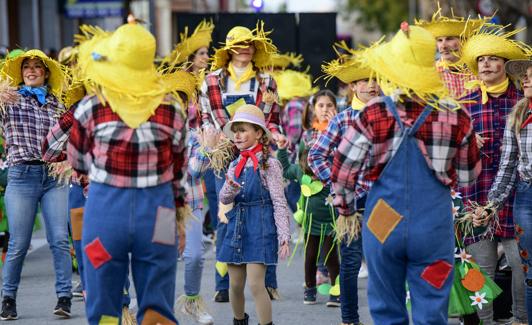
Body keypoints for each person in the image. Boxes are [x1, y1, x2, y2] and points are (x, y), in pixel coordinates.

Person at [331, 23, 481, 324]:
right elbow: (468, 177)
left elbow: (343, 170)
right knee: (431, 308)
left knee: (386, 307)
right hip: (434, 226)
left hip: (383, 222)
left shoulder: (372, 113)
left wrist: (347, 209)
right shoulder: (456, 115)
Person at [68, 20, 194, 324]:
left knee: (102, 294)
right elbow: (179, 173)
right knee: (158, 295)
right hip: (160, 211)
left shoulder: (89, 108)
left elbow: (78, 161)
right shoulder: (172, 109)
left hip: (104, 212)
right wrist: (179, 220)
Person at [199, 21, 283, 302]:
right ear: (228, 50)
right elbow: (209, 118)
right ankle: (223, 285)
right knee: (225, 216)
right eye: (238, 44)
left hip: (258, 156)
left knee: (264, 214)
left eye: (248, 44)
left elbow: (271, 119)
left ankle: (268, 282)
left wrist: (267, 139)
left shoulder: (267, 81)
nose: (244, 48)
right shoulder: (211, 80)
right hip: (224, 157)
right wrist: (235, 138)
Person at [458, 25, 530, 325]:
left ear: (504, 65)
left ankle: (520, 318)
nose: (486, 65)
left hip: (514, 196)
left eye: (493, 59)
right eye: (481, 60)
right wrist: (465, 142)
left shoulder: (521, 100)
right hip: (475, 195)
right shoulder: (465, 103)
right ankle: (483, 321)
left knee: (519, 265)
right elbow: (450, 154)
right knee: (479, 268)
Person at [308, 49, 380, 325]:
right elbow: (316, 155)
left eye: (375, 79)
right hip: (352, 205)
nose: (371, 85)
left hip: (385, 203)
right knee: (350, 264)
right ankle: (349, 319)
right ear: (353, 86)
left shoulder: (392, 116)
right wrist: (338, 184)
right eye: (364, 80)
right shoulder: (342, 119)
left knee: (385, 263)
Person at [0, 49, 73, 320]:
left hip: (54, 177)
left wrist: (69, 161)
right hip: (21, 176)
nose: (31, 71)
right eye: (26, 67)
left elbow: (71, 137)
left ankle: (64, 297)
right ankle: (8, 299)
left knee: (59, 240)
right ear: (20, 73)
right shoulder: (9, 99)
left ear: (45, 73)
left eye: (37, 67)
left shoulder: (57, 104)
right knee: (18, 242)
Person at [163, 19, 216, 324]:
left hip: (192, 203)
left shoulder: (197, 132)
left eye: (183, 100)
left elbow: (195, 171)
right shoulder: (156, 131)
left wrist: (207, 148)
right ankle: (160, 309)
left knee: (195, 256)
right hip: (163, 206)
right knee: (165, 259)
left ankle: (193, 301)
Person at [218, 104, 290, 325]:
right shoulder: (234, 164)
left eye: (243, 130)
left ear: (258, 133)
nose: (237, 136)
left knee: (257, 285)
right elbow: (224, 198)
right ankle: (239, 321)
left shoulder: (270, 164)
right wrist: (230, 186)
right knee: (235, 284)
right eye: (235, 131)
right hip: (237, 225)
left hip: (260, 226)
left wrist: (284, 236)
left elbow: (279, 202)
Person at [486, 57, 532, 323]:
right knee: (529, 270)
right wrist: (491, 205)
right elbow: (507, 167)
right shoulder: (517, 114)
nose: (524, 80)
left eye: (529, 74)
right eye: (523, 76)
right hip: (525, 196)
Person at [415, 4, 485, 99]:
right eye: (439, 40)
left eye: (449, 39)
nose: (443, 46)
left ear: (463, 41)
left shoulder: (479, 72)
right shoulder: (431, 74)